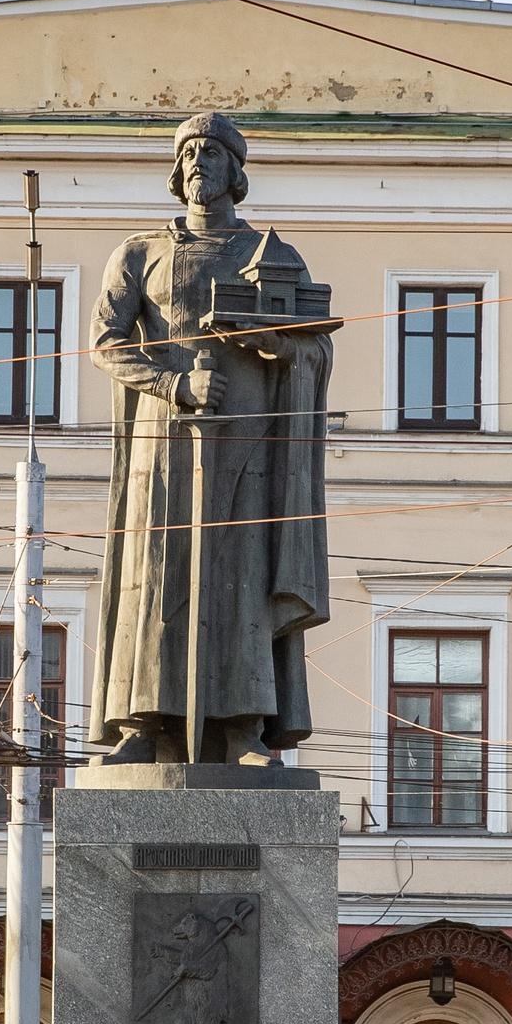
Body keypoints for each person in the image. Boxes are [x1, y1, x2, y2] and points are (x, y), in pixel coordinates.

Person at [88, 111, 332, 767]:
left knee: (240, 574)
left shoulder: (270, 256)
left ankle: (244, 726)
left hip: (247, 442)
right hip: (162, 439)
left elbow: (314, 350)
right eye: (188, 152)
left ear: (235, 169)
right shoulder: (140, 252)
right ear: (177, 170)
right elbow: (105, 342)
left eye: (212, 153)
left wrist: (275, 344)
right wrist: (173, 385)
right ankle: (142, 722)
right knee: (155, 576)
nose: (198, 162)